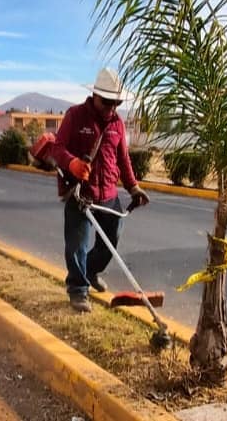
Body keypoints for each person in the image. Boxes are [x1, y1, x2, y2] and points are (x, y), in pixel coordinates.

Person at [51, 67, 149, 313]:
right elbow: (57, 149)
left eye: (116, 103)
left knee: (111, 241)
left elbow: (123, 158)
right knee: (77, 245)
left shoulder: (117, 123)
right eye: (107, 102)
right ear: (95, 95)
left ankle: (91, 271)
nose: (111, 108)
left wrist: (133, 187)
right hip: (80, 194)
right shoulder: (75, 116)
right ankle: (78, 290)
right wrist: (72, 163)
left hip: (109, 195)